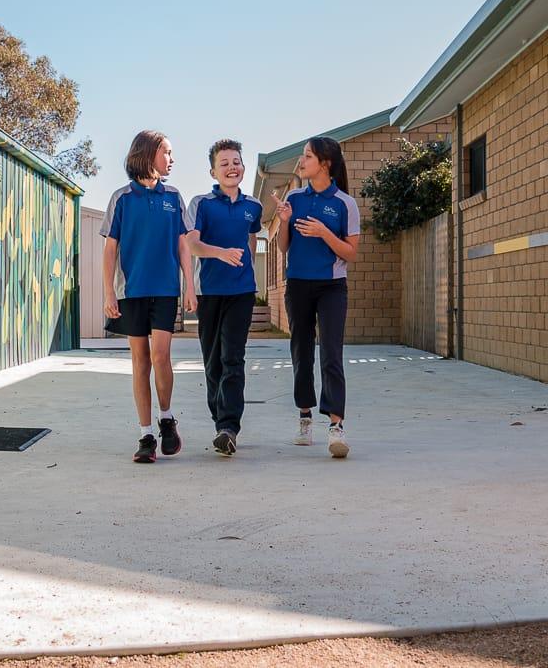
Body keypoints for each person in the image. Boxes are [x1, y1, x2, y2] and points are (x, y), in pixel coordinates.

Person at [101, 130, 197, 464]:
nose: (171, 159)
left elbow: (183, 244)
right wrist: (108, 292)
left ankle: (167, 417)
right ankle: (146, 434)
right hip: (132, 292)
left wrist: (189, 286)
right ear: (148, 153)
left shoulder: (174, 197)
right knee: (140, 361)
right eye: (167, 152)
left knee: (160, 356)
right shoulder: (121, 198)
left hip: (166, 290)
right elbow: (110, 248)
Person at [272, 137, 360, 458]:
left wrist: (324, 232)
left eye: (307, 156)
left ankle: (336, 426)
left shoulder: (345, 204)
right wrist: (284, 222)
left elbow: (351, 253)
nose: (301, 161)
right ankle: (305, 418)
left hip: (331, 286)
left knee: (331, 354)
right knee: (301, 352)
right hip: (298, 284)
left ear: (324, 163)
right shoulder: (294, 197)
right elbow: (283, 247)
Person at [185, 139, 263, 457]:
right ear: (213, 171)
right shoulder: (201, 204)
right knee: (213, 362)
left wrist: (243, 263)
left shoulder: (253, 207)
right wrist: (221, 254)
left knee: (233, 358)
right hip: (210, 292)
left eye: (236, 161)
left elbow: (252, 239)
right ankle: (221, 421)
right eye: (225, 163)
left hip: (241, 292)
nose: (232, 167)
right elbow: (192, 245)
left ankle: (229, 427)